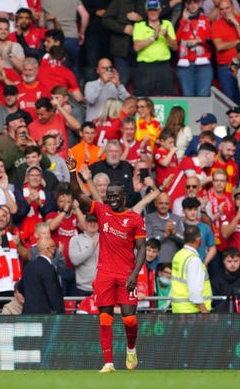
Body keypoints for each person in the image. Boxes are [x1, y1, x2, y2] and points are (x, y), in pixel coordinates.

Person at [67, 154, 147, 373]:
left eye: (115, 196)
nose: (111, 199)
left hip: (126, 275)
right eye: (108, 195)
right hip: (104, 273)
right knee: (105, 318)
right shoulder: (101, 211)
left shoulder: (135, 219)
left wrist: (134, 275)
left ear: (123, 197)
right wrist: (73, 172)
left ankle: (131, 349)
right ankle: (109, 363)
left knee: (129, 319)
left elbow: (141, 250)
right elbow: (77, 194)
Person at [171, 225, 213, 313]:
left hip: (178, 308)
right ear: (198, 240)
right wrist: (203, 309)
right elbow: (195, 289)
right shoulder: (194, 260)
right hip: (192, 311)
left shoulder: (178, 255)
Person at [18, 237, 64, 314]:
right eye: (54, 247)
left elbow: (20, 287)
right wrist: (61, 313)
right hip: (44, 316)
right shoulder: (48, 268)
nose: (55, 250)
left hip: (27, 313)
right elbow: (53, 294)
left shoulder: (28, 266)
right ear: (48, 249)